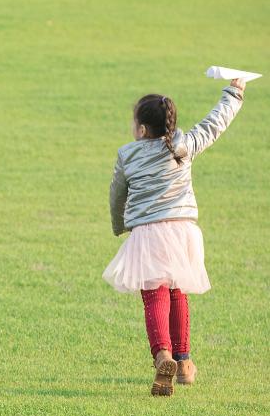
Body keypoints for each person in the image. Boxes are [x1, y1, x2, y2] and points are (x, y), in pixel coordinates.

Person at [104, 79, 246, 395]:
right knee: (178, 291)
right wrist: (234, 93)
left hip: (149, 233)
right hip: (183, 232)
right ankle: (184, 364)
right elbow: (214, 124)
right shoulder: (184, 145)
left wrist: (118, 226)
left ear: (142, 129)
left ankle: (162, 356)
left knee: (154, 294)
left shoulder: (128, 155)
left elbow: (117, 195)